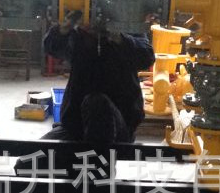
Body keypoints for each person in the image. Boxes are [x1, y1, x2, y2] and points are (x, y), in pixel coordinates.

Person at [42, 11, 155, 144]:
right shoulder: (78, 31)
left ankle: (96, 157)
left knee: (96, 103)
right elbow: (51, 47)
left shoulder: (126, 25)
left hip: (118, 126)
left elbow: (146, 57)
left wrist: (117, 37)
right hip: (75, 125)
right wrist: (62, 29)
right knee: (28, 156)